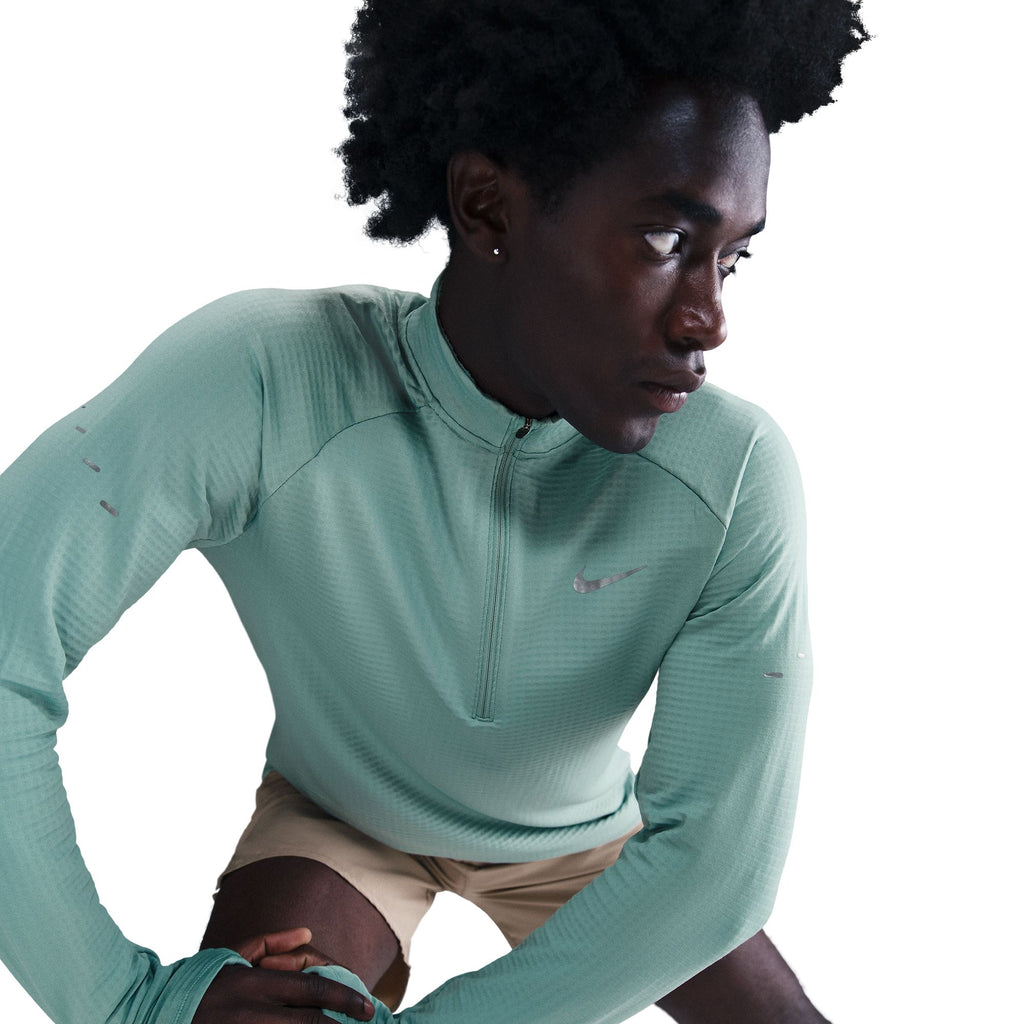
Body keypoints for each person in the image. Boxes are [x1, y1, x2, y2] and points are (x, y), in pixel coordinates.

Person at [0, 2, 868, 1023]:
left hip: (594, 842)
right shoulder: (266, 383)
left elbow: (713, 867)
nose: (708, 318)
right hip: (343, 821)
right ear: (487, 205)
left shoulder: (731, 474)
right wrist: (123, 1005)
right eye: (666, 239)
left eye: (731, 257)